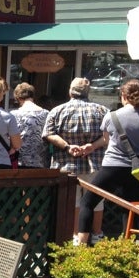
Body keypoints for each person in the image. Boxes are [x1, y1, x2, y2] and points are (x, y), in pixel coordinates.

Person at [74, 79, 139, 246]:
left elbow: (106, 140)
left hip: (112, 166)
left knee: (88, 202)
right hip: (137, 169)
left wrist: (92, 146)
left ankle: (82, 244)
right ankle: (128, 246)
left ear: (123, 96)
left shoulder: (112, 116)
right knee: (131, 207)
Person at [43, 78, 110, 242]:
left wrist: (67, 146)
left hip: (66, 164)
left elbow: (48, 134)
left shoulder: (57, 111)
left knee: (72, 200)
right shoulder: (103, 110)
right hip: (94, 163)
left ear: (70, 91)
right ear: (88, 92)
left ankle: (75, 236)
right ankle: (96, 234)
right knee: (96, 200)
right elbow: (109, 136)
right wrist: (92, 146)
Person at [11, 82, 48, 168]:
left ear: (18, 98)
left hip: (20, 162)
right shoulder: (46, 113)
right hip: (41, 162)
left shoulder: (14, 114)